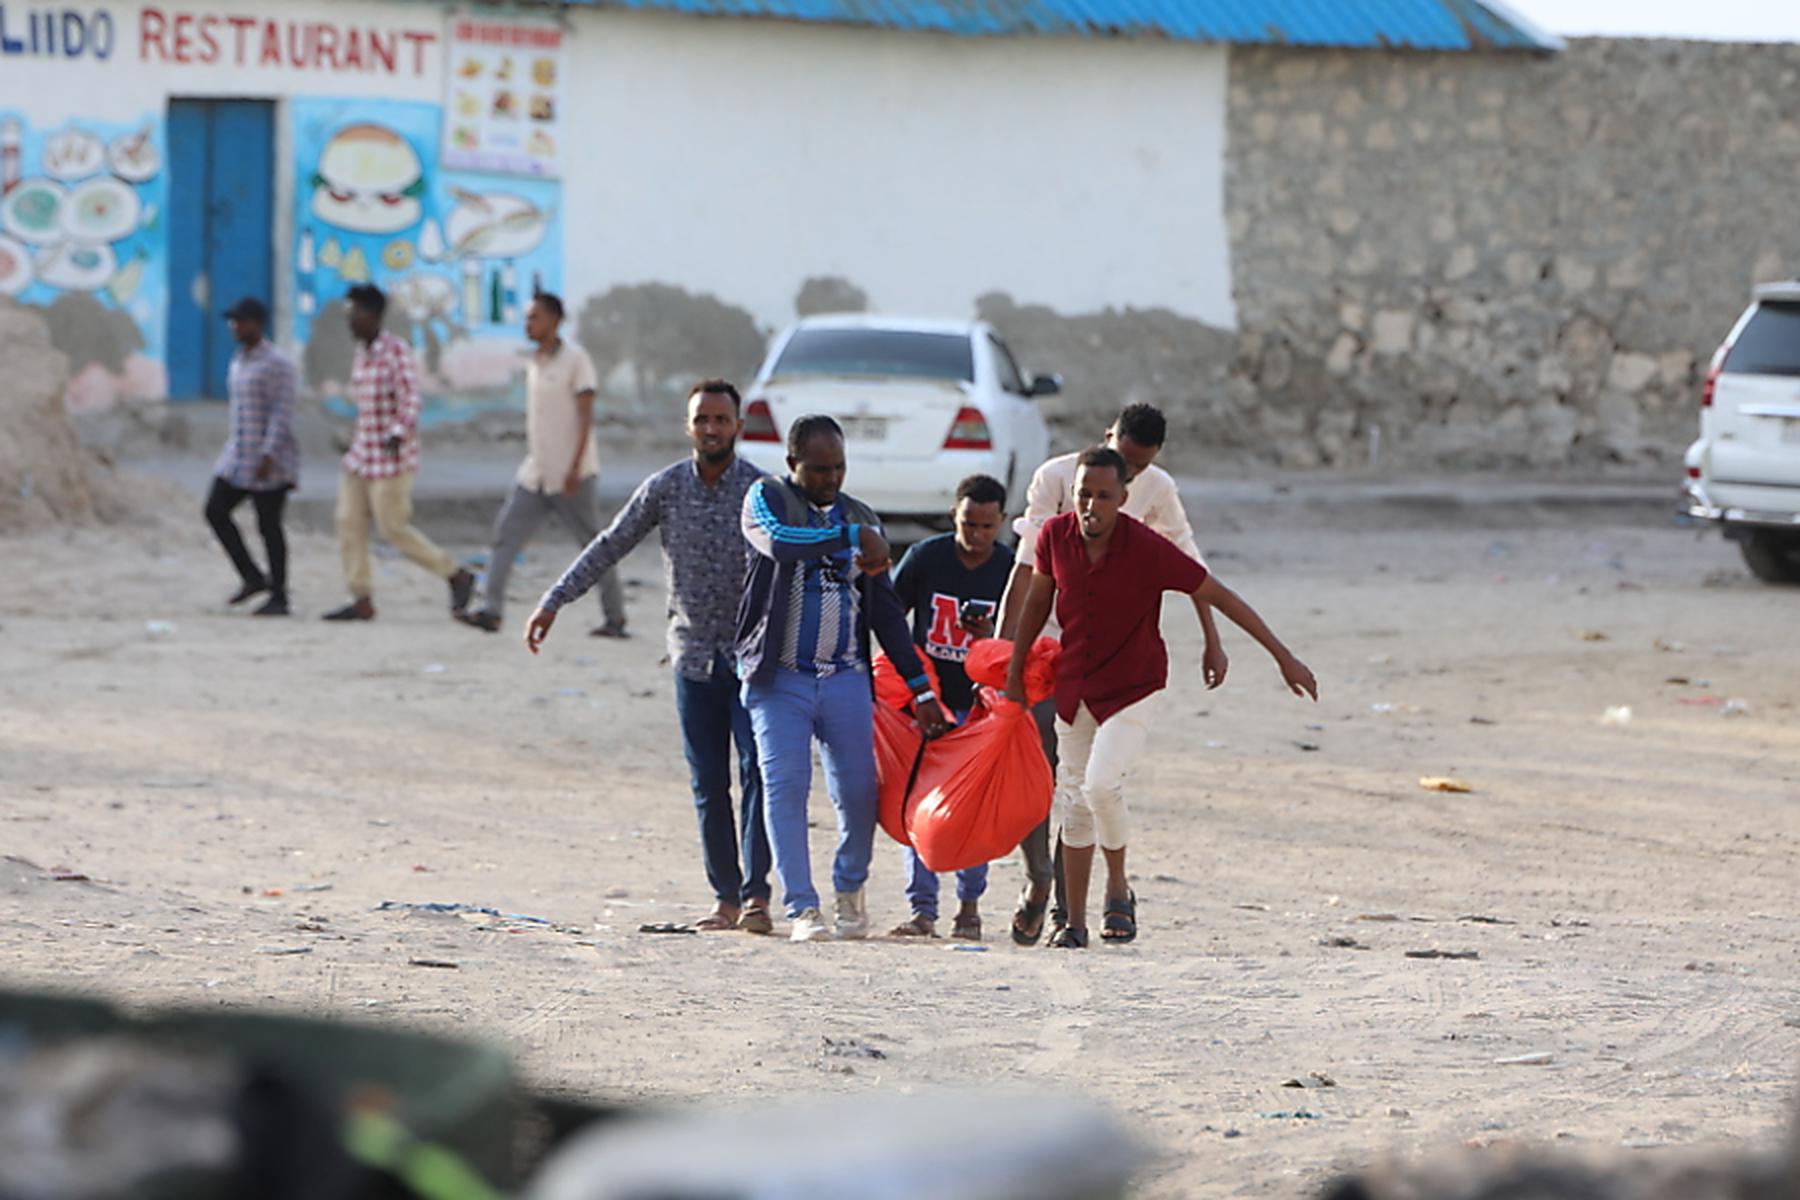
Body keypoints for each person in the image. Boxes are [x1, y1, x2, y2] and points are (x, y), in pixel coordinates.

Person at [1005, 446, 1317, 949]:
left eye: (1104, 497)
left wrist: (1283, 656)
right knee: (1074, 801)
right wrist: (1014, 670)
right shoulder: (1055, 537)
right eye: (1084, 495)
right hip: (1075, 685)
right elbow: (1039, 600)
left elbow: (1218, 594)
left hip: (1134, 685)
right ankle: (1074, 924)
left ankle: (1118, 885)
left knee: (1101, 786)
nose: (1091, 506)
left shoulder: (1147, 548)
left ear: (1123, 499)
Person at [524, 381, 773, 933]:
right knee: (709, 783)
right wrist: (555, 599)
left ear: (738, 426)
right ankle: (725, 899)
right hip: (691, 659)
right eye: (702, 419)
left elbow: (800, 560)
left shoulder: (762, 492)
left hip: (752, 660)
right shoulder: (665, 488)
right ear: (688, 427)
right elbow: (610, 543)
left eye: (721, 419)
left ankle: (758, 897)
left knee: (758, 773)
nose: (711, 429)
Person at [998, 403, 1226, 946]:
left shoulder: (1156, 489)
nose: (1127, 474)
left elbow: (1190, 564)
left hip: (1111, 652)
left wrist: (1211, 638)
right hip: (1049, 648)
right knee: (1044, 775)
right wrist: (1005, 655)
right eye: (1121, 458)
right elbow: (1027, 574)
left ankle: (1073, 909)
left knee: (1085, 785)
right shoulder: (1056, 478)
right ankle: (1039, 884)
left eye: (1137, 469)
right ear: (1104, 440)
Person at [737, 415, 950, 944]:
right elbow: (784, 544)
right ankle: (802, 908)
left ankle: (849, 889)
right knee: (785, 787)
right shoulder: (766, 500)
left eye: (839, 468)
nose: (831, 479)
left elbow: (885, 614)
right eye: (818, 469)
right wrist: (852, 537)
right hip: (778, 678)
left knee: (858, 793)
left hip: (845, 679)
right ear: (793, 465)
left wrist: (920, 687)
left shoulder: (861, 515)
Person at [885, 473, 1014, 941]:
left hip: (981, 707)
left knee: (972, 810)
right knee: (919, 806)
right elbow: (890, 618)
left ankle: (970, 905)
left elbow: (1023, 639)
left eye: (986, 527)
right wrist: (909, 687)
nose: (976, 537)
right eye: (967, 524)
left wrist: (989, 639)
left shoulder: (1010, 568)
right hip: (929, 704)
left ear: (1001, 522)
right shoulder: (927, 557)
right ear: (954, 515)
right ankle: (922, 910)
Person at [458, 293, 627, 637]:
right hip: (537, 471)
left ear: (554, 320)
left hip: (572, 475)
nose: (528, 324)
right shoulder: (535, 361)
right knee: (506, 535)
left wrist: (574, 467)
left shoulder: (576, 360)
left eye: (534, 317)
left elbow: (585, 418)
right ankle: (492, 610)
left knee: (593, 546)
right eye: (527, 318)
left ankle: (615, 617)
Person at [323, 284, 476, 622]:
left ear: (374, 315)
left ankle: (455, 575)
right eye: (348, 314)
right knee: (348, 523)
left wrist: (396, 433)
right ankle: (361, 597)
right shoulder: (361, 354)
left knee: (393, 528)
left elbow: (411, 399)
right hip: (362, 455)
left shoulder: (395, 351)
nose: (350, 321)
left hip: (392, 460)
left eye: (355, 313)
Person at [205, 297, 298, 617]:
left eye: (242, 322)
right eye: (233, 322)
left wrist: (269, 452)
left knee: (269, 525)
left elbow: (282, 412)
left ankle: (280, 595)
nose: (236, 328)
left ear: (258, 324)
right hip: (238, 454)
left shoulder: (278, 364)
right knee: (215, 510)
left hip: (269, 459)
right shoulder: (239, 360)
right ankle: (252, 576)